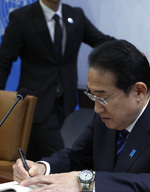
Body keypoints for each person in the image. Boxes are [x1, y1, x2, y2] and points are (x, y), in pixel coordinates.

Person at [13, 39, 150, 192]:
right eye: (92, 96)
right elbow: (78, 156)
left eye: (103, 97)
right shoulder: (106, 114)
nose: (96, 108)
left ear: (139, 91)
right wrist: (43, 168)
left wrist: (87, 181)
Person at [0, 0, 114, 161]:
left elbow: (101, 40)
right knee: (59, 155)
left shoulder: (75, 15)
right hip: (37, 103)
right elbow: (3, 60)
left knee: (33, 157)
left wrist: (129, 51)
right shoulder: (22, 17)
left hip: (65, 102)